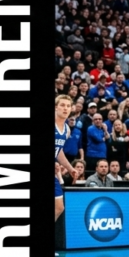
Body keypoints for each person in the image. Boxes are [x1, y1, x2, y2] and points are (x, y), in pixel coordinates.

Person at [55, 95, 80, 226]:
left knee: (59, 208)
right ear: (55, 107)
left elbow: (58, 151)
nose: (65, 108)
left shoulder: (66, 130)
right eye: (62, 105)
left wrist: (70, 168)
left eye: (68, 106)